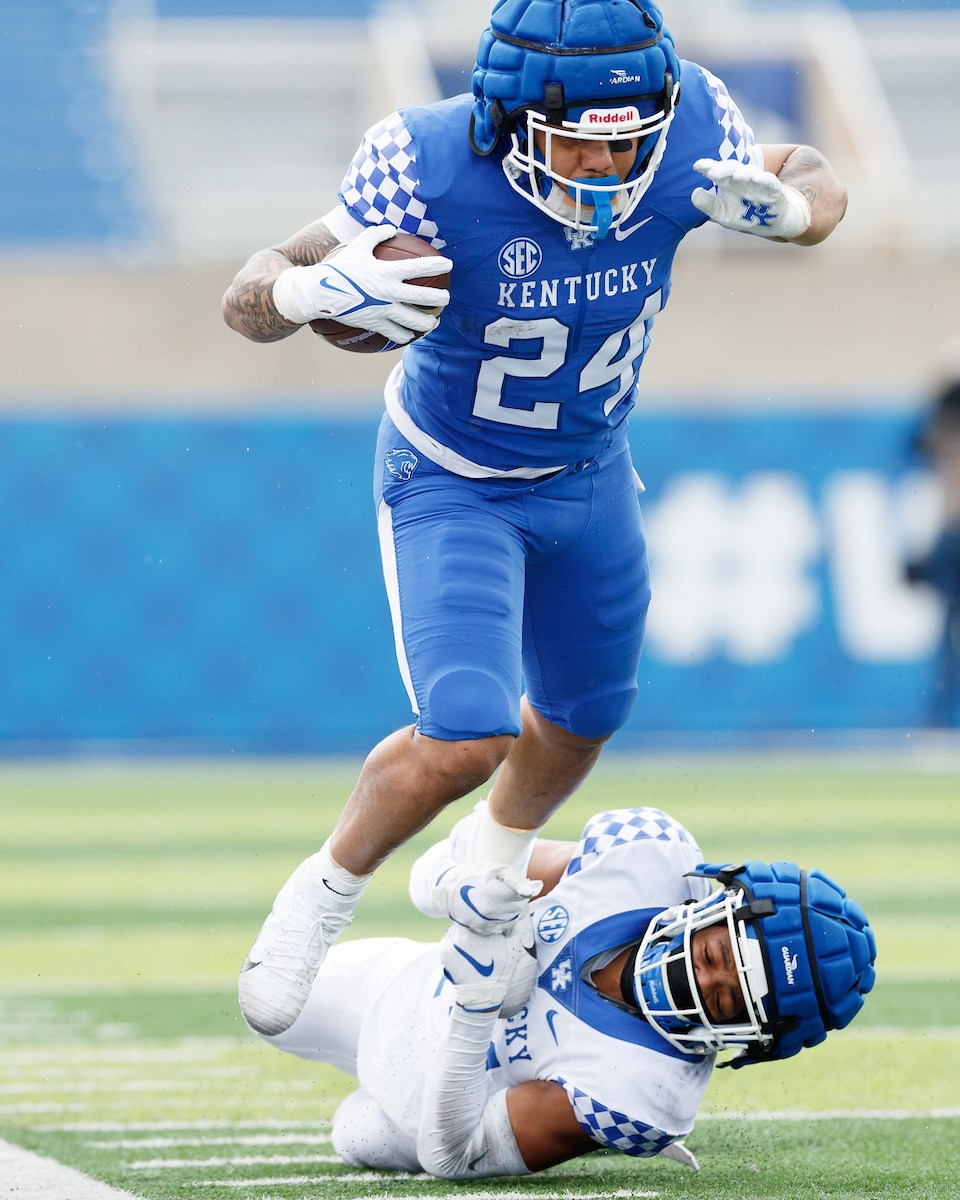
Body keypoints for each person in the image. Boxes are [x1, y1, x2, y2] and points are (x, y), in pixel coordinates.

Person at [222, 0, 849, 1041]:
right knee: (469, 731)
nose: (604, 177)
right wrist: (303, 295)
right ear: (508, 121)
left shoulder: (695, 121)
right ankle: (321, 894)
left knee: (584, 715)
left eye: (627, 147)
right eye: (575, 147)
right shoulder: (422, 158)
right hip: (454, 477)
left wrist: (794, 213)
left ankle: (485, 879)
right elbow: (249, 293)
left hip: (591, 471)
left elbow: (816, 174)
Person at [259, 803, 876, 1179]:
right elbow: (448, 854)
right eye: (716, 955)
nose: (701, 978)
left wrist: (477, 1005)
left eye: (725, 1000)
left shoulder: (647, 1096)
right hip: (400, 983)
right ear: (716, 903)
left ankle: (582, 1134)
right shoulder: (646, 856)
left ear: (751, 1039)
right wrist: (460, 892)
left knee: (355, 1133)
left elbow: (451, 1153)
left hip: (427, 1100)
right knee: (265, 1006)